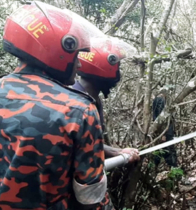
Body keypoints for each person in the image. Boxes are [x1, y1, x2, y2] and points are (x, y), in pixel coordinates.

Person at [0, 2, 108, 209]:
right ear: (60, 50)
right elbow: (91, 197)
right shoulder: (78, 111)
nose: (80, 64)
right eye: (76, 56)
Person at [72, 37, 140, 209]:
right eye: (117, 66)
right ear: (105, 68)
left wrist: (119, 152)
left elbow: (90, 145)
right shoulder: (77, 105)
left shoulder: (94, 101)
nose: (118, 72)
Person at [152, 88, 178, 168]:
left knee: (160, 149)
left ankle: (154, 168)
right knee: (169, 149)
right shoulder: (161, 100)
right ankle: (174, 169)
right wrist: (163, 133)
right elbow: (161, 117)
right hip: (165, 130)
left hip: (161, 129)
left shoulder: (156, 100)